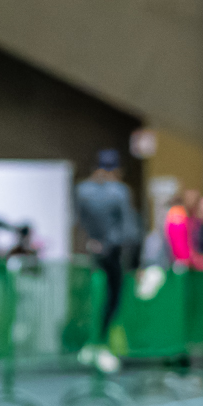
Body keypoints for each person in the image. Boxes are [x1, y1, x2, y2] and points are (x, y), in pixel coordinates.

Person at [74, 149, 139, 374]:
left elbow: (80, 221)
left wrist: (92, 243)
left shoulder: (82, 190)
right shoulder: (119, 192)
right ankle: (100, 343)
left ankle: (92, 343)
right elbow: (128, 230)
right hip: (112, 254)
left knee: (92, 298)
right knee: (112, 298)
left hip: (92, 253)